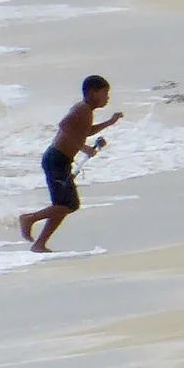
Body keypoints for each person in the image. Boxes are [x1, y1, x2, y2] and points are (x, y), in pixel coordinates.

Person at [21, 74, 125, 254]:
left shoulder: (87, 111)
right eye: (105, 93)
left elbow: (86, 131)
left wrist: (109, 122)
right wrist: (83, 148)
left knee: (61, 206)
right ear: (93, 92)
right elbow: (64, 126)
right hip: (56, 160)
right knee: (69, 204)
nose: (107, 98)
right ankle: (29, 219)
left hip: (60, 161)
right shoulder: (82, 109)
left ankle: (39, 244)